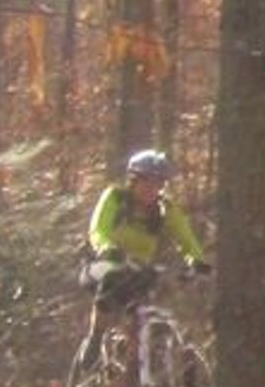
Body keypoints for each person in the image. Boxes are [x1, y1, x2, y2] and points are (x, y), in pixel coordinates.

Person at [77, 146, 208, 375]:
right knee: (112, 277)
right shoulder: (115, 197)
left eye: (158, 183)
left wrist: (197, 261)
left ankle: (135, 374)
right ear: (133, 180)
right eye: (147, 181)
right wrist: (107, 248)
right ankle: (95, 340)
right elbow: (98, 229)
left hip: (138, 269)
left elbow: (187, 238)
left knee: (142, 314)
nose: (152, 189)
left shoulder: (165, 209)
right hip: (102, 264)